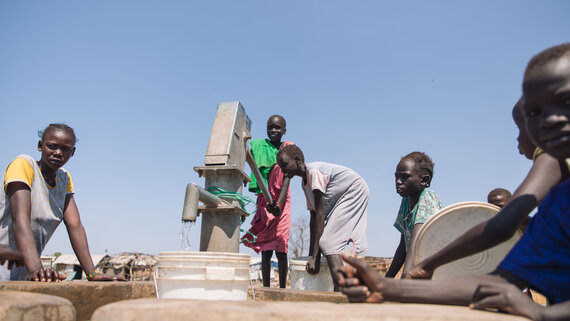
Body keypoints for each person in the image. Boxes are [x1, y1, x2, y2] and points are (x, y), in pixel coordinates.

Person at [335, 43, 570, 320]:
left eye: (565, 100)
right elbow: (501, 284)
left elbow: (501, 225)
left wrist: (546, 315)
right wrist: (386, 287)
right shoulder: (557, 209)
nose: (549, 120)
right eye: (533, 113)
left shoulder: (427, 202)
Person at [0, 124, 123, 282]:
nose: (58, 153)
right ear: (40, 146)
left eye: (65, 149)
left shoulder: (64, 179)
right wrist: (37, 269)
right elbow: (20, 218)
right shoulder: (23, 165)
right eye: (52, 146)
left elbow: (75, 226)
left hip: (24, 272)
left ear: (72, 152)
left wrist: (92, 273)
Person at [276, 144, 368, 291]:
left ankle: (342, 292)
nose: (283, 170)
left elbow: (320, 214)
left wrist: (316, 257)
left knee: (328, 242)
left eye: (285, 164)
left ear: (297, 160)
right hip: (343, 198)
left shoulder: (313, 172)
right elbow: (313, 218)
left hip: (354, 190)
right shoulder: (304, 183)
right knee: (329, 243)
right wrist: (311, 254)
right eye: (280, 167)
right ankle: (342, 289)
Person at [241, 115, 293, 288]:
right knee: (265, 247)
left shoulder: (288, 149)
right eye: (270, 127)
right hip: (264, 200)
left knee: (281, 244)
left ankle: (283, 289)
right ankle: (265, 289)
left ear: (284, 130)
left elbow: (287, 177)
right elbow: (246, 153)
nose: (274, 130)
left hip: (282, 201)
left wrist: (278, 204)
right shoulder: (259, 146)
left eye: (278, 128)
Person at [385, 152, 443, 278]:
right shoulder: (406, 201)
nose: (398, 181)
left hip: (437, 273)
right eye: (396, 177)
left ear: (424, 180)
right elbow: (403, 247)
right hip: (420, 271)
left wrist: (404, 280)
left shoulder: (427, 200)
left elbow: (414, 244)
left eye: (405, 177)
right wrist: (386, 279)